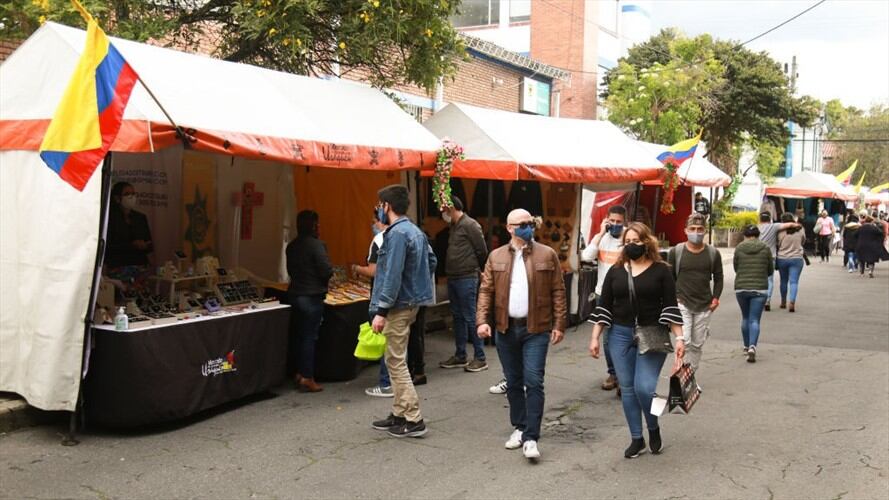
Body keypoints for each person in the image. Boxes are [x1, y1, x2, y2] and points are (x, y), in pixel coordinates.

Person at [476, 209, 567, 460]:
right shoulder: (496, 257)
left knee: (534, 380)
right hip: (506, 328)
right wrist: (482, 321)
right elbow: (486, 290)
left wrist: (560, 324)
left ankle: (531, 437)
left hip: (536, 328)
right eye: (522, 224)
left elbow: (558, 290)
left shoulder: (546, 254)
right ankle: (519, 426)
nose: (528, 227)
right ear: (509, 228)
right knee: (513, 380)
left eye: (530, 223)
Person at [589, 222, 685, 459]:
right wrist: (595, 337)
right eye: (627, 242)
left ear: (647, 242)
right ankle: (636, 438)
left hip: (652, 333)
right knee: (628, 389)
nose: (631, 246)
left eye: (636, 241)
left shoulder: (662, 270)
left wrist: (680, 338)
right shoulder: (616, 271)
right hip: (620, 335)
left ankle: (653, 427)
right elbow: (604, 307)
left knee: (644, 388)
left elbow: (671, 306)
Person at [369, 185, 437, 438]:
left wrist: (381, 310)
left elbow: (392, 274)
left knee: (396, 361)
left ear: (386, 206)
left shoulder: (397, 234)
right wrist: (416, 287)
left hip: (397, 305)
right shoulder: (415, 231)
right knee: (395, 358)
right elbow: (432, 262)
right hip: (411, 303)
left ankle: (414, 417)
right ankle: (399, 413)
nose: (378, 209)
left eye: (379, 204)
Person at [438, 196, 490, 373]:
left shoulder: (470, 224)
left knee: (469, 316)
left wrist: (482, 270)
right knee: (457, 316)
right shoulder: (454, 225)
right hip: (454, 276)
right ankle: (461, 355)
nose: (442, 213)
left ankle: (480, 357)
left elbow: (482, 249)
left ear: (451, 208)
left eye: (444, 209)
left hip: (467, 276)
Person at [666, 213, 723, 372]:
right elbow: (669, 278)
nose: (696, 232)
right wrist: (673, 300)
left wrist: (716, 298)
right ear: (685, 230)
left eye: (699, 229)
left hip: (704, 305)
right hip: (682, 303)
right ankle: (679, 374)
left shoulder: (713, 253)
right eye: (692, 228)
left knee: (697, 345)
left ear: (705, 231)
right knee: (684, 341)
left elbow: (719, 277)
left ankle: (690, 374)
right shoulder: (676, 252)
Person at [580, 205, 627, 393]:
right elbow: (586, 256)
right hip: (603, 295)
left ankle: (624, 376)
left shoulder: (628, 238)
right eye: (612, 221)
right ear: (607, 220)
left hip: (624, 296)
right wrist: (599, 233)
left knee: (624, 336)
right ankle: (613, 373)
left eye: (619, 222)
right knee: (608, 339)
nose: (615, 225)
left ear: (624, 222)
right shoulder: (602, 238)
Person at [286, 210, 333, 393]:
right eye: (318, 224)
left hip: (294, 294)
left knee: (298, 335)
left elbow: (291, 270)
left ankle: (298, 372)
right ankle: (307, 376)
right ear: (313, 226)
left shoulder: (291, 246)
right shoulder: (317, 245)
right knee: (309, 337)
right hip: (311, 296)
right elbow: (325, 270)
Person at [354, 213, 394, 398]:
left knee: (386, 341)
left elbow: (374, 270)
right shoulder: (411, 234)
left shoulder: (379, 239)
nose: (372, 225)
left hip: (383, 296)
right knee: (398, 343)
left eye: (373, 222)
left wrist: (355, 268)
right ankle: (398, 382)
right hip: (404, 298)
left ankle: (387, 383)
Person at [733, 224, 773, 363]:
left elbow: (735, 267)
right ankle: (752, 346)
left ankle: (745, 346)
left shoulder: (739, 248)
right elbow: (770, 270)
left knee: (745, 318)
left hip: (741, 287)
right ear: (758, 235)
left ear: (745, 235)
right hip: (760, 288)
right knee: (754, 319)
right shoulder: (765, 248)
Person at [757, 212, 801, 311]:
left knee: (760, 279)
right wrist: (797, 225)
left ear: (760, 220)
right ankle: (768, 300)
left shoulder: (757, 228)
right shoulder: (774, 227)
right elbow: (789, 225)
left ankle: (761, 300)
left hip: (760, 257)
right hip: (771, 257)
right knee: (770, 280)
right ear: (770, 219)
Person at [106, 182, 153, 267]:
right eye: (127, 194)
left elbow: (150, 245)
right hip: (118, 265)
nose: (131, 197)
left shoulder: (140, 217)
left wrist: (144, 245)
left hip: (139, 265)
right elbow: (108, 246)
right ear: (117, 198)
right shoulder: (109, 219)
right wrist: (132, 245)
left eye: (133, 193)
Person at [776, 213, 806, 312]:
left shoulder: (779, 230)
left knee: (783, 281)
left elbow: (777, 243)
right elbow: (803, 241)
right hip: (797, 258)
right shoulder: (801, 229)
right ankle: (792, 301)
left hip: (782, 258)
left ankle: (783, 302)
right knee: (794, 282)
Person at [855, 214, 889, 278]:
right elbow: (881, 234)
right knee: (871, 260)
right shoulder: (874, 228)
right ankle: (870, 271)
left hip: (861, 245)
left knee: (861, 260)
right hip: (872, 246)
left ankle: (861, 273)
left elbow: (855, 235)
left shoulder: (861, 227)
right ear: (871, 221)